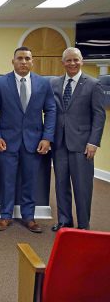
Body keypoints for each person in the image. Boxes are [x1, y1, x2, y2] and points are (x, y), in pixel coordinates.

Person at [0, 46, 56, 233]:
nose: (23, 62)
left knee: (30, 180)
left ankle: (29, 218)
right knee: (7, 180)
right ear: (13, 61)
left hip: (34, 142)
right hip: (7, 141)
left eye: (27, 58)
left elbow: (50, 110)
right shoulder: (0, 83)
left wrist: (47, 138)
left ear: (32, 61)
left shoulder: (43, 83)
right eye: (20, 58)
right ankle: (5, 216)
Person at [50, 47, 106, 231]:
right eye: (69, 60)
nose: (72, 63)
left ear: (81, 61)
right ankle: (65, 221)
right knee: (61, 185)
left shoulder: (93, 84)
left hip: (82, 145)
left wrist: (93, 142)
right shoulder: (55, 84)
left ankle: (83, 225)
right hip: (59, 144)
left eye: (76, 60)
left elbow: (99, 116)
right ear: (63, 62)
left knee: (82, 188)